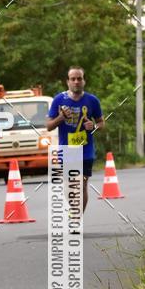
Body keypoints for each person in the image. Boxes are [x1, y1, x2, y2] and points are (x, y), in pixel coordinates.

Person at [46, 66, 105, 212]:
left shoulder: (92, 100)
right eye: (73, 79)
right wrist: (61, 117)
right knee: (70, 185)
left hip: (86, 150)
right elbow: (48, 126)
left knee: (81, 184)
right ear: (68, 82)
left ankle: (77, 219)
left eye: (79, 78)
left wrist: (94, 126)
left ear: (84, 81)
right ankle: (73, 211)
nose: (76, 82)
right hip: (66, 150)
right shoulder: (59, 100)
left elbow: (101, 123)